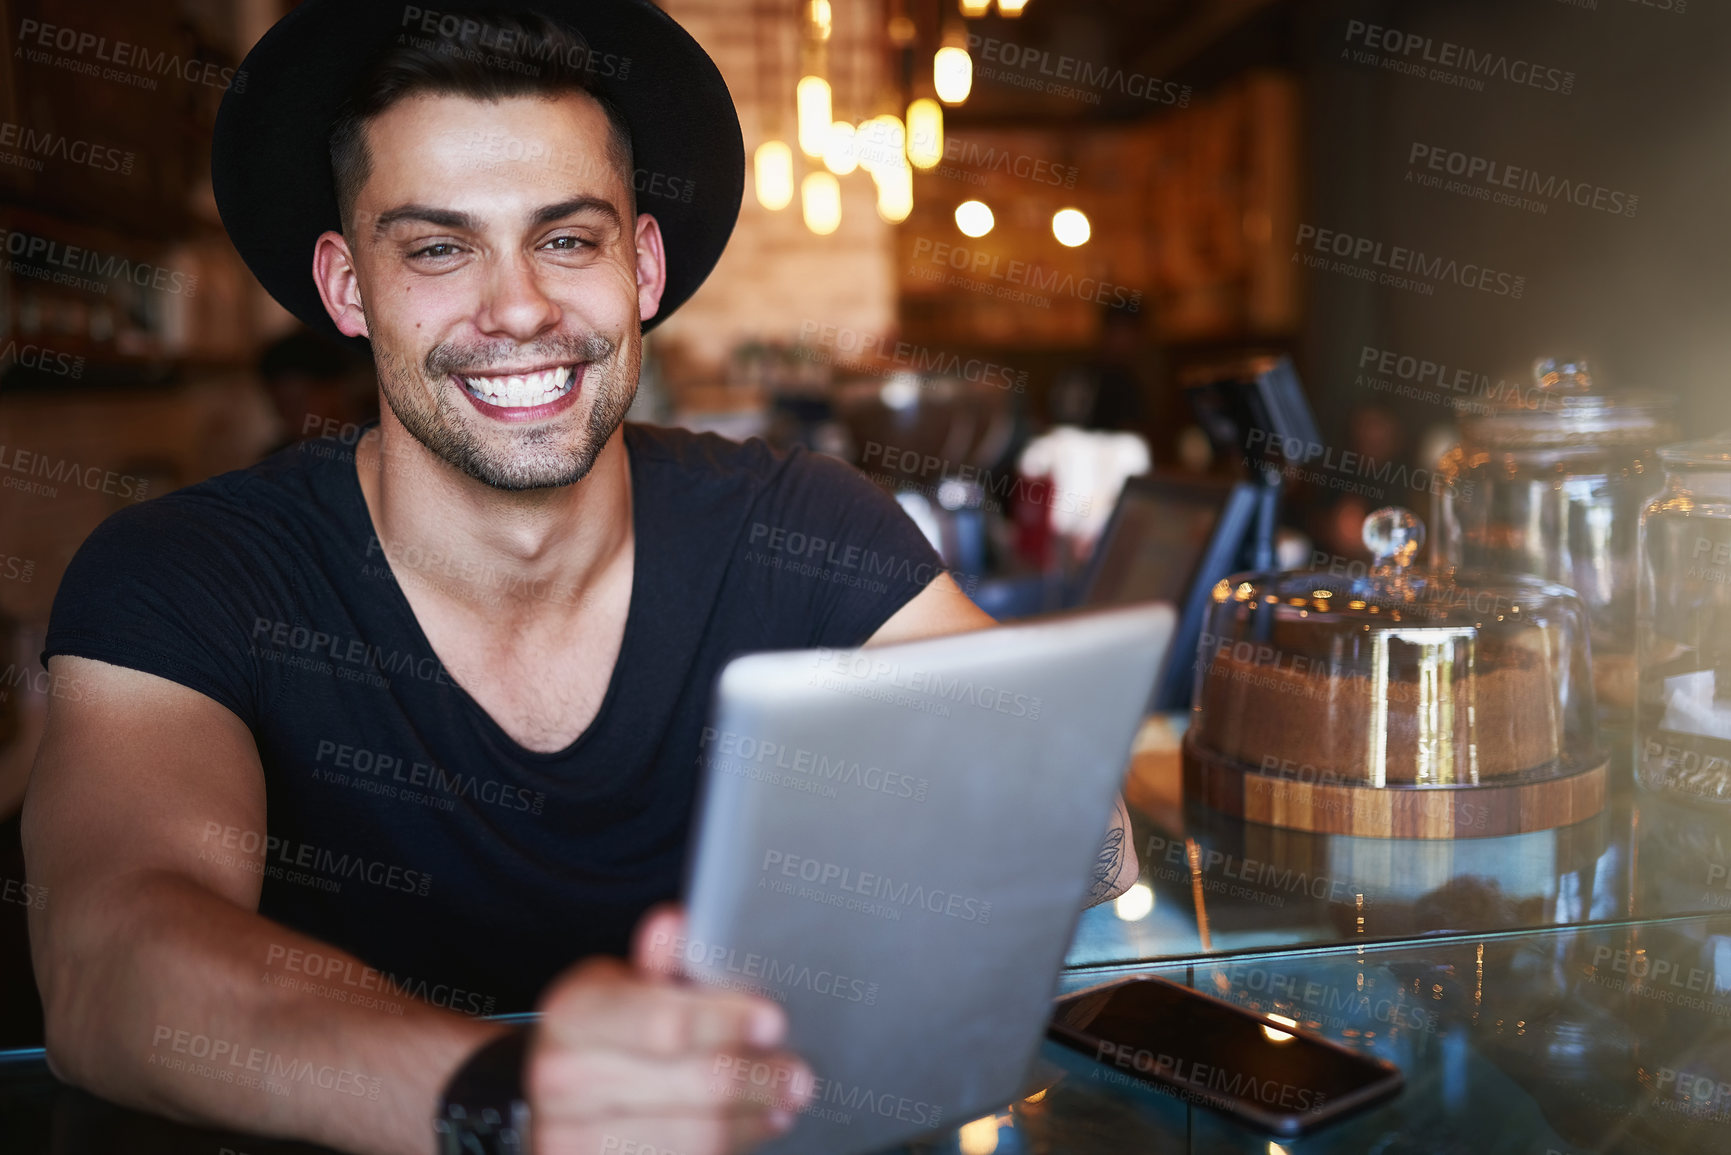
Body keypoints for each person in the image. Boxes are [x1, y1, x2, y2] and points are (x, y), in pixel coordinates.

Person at [19, 4, 1139, 1154]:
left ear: (642, 265)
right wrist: (524, 1098)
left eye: (567, 239)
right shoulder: (188, 575)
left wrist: (1038, 815)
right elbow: (110, 958)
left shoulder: (800, 524)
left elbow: (1067, 805)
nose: (518, 309)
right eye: (438, 248)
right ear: (349, 287)